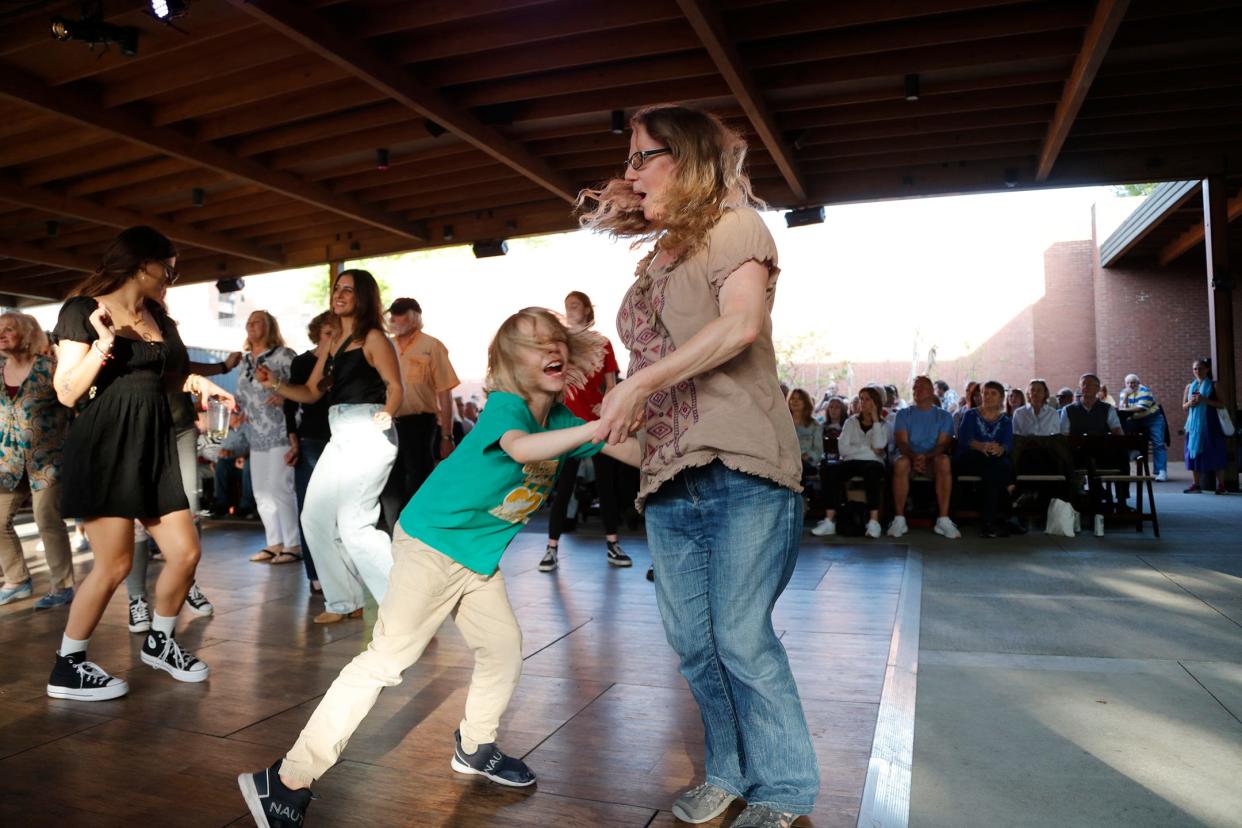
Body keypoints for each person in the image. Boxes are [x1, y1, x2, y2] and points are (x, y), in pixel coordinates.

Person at [236, 308, 638, 827]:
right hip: (431, 546)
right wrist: (600, 426)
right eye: (536, 344)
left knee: (502, 649)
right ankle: (285, 780)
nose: (552, 350)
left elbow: (632, 450)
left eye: (557, 340)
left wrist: (674, 446)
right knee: (385, 661)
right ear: (511, 362)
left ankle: (474, 747)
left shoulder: (559, 420)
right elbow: (522, 450)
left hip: (475, 559)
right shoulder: (506, 409)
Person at [581, 104, 819, 826]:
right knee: (694, 646)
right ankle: (730, 771)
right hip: (667, 476)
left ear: (686, 161)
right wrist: (563, 426)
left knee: (742, 639)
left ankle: (784, 792)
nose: (628, 171)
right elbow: (633, 412)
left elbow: (741, 324)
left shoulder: (734, 226)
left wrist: (639, 383)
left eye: (644, 156)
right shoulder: (656, 260)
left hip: (743, 466)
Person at [45, 226, 233, 701]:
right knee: (114, 564)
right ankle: (68, 665)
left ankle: (160, 641)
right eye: (169, 267)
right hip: (106, 445)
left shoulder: (159, 318)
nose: (172, 276)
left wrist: (198, 385)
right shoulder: (84, 311)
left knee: (186, 553)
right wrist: (105, 343)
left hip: (154, 443)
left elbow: (165, 376)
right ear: (142, 262)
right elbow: (67, 391)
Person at [256, 270, 402, 625]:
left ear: (363, 296)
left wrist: (386, 414)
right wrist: (275, 383)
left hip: (369, 429)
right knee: (314, 517)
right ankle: (344, 600)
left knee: (356, 525)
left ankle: (403, 610)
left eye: (348, 289)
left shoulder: (373, 338)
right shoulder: (335, 343)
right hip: (340, 434)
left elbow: (395, 386)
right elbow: (310, 392)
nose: (339, 294)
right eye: (337, 288)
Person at [123, 282, 234, 629]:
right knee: (139, 516)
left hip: (181, 425)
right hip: (141, 428)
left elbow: (184, 371)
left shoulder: (168, 327)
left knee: (190, 510)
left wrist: (219, 372)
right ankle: (136, 599)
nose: (164, 286)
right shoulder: (121, 322)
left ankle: (187, 582)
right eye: (162, 275)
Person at [541, 290, 630, 572]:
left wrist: (607, 410)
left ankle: (613, 544)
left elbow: (611, 383)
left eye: (575, 306)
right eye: (567, 306)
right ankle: (551, 548)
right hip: (568, 424)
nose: (570, 310)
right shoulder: (561, 346)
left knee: (606, 485)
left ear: (587, 310)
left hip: (595, 424)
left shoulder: (602, 344)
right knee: (563, 485)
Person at [0, 312, 74, 608]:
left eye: (8, 330)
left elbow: (76, 404)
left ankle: (63, 587)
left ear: (27, 334)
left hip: (48, 460)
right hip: (7, 460)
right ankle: (17, 579)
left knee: (47, 521)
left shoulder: (50, 369)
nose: (1, 335)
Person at [379, 297, 459, 531]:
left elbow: (444, 392)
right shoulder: (385, 345)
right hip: (387, 423)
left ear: (414, 317)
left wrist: (447, 435)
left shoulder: (431, 346)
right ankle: (396, 531)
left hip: (420, 423)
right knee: (389, 481)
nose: (393, 319)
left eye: (399, 314)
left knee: (418, 478)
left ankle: (418, 532)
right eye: (392, 314)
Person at [236, 311, 301, 565]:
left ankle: (293, 544)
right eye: (249, 321)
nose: (251, 325)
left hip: (280, 429)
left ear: (270, 327)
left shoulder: (284, 356)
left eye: (258, 321)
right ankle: (274, 543)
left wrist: (286, 396)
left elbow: (303, 388)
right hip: (256, 432)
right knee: (261, 491)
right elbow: (243, 395)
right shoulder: (243, 361)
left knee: (279, 487)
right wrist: (240, 413)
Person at [287, 311, 335, 594]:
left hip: (339, 437)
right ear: (318, 332)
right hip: (311, 438)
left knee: (335, 509)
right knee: (308, 507)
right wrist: (292, 439)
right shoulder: (303, 362)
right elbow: (290, 404)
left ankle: (338, 570)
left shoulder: (342, 362)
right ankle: (314, 573)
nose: (331, 339)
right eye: (328, 333)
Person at [889, 375, 960, 539]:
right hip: (909, 459)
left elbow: (943, 445)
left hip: (932, 461)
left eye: (921, 387)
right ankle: (899, 519)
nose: (916, 390)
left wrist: (926, 457)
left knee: (944, 461)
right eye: (914, 388)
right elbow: (901, 442)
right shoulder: (903, 414)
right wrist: (915, 457)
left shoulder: (944, 416)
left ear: (931, 391)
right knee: (900, 463)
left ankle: (943, 519)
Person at [812, 385, 887, 538]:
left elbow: (879, 446)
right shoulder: (851, 422)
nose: (863, 402)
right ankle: (829, 520)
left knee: (872, 471)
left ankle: (873, 522)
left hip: (873, 464)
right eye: (861, 399)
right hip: (852, 461)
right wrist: (868, 449)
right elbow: (844, 450)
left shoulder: (884, 425)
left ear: (876, 402)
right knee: (828, 468)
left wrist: (875, 420)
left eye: (868, 399)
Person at [955, 380, 1014, 537]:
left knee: (993, 468)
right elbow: (963, 439)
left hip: (993, 460)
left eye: (993, 393)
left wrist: (1000, 449)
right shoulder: (970, 414)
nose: (988, 396)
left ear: (1001, 398)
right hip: (970, 458)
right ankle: (1007, 510)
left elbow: (1008, 444)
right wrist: (982, 446)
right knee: (997, 467)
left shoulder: (1006, 420)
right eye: (985, 393)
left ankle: (989, 523)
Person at [1060, 373, 1128, 509]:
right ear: (1080, 388)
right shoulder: (1068, 410)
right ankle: (1075, 500)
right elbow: (1064, 436)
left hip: (1103, 455)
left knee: (1121, 454)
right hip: (1078, 456)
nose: (1086, 387)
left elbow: (1117, 432)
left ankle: (1122, 501)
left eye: (1090, 385)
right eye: (1084, 384)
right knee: (1071, 455)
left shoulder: (1107, 409)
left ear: (1098, 389)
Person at [1182, 358, 1229, 494]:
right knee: (1193, 452)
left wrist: (1205, 400)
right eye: (1195, 369)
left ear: (1207, 369)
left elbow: (1222, 404)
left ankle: (1221, 485)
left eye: (1200, 368)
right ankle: (1196, 484)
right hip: (1194, 426)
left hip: (1210, 424)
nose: (1198, 371)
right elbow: (1184, 406)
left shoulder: (1214, 385)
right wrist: (1191, 403)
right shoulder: (1189, 386)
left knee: (1215, 451)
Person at [1119, 373, 1168, 481]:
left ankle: (1161, 472)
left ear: (1138, 383)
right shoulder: (1123, 392)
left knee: (1158, 442)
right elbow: (1123, 408)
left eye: (1133, 382)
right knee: (1122, 434)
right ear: (1125, 384)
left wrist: (1124, 409)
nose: (1131, 385)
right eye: (1128, 383)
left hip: (1152, 418)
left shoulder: (1145, 391)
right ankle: (1133, 452)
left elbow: (1141, 408)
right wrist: (1126, 397)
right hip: (1135, 419)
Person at [787, 388, 822, 479]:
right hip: (786, 461)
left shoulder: (814, 425)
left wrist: (808, 455)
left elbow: (818, 450)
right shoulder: (782, 423)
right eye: (792, 398)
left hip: (806, 463)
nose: (795, 401)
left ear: (806, 403)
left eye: (799, 399)